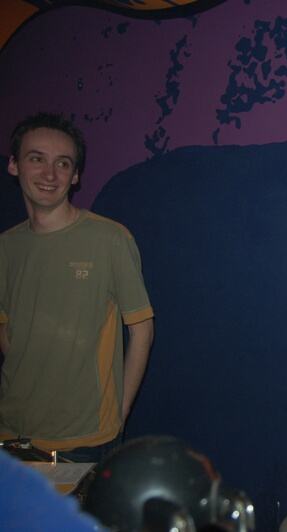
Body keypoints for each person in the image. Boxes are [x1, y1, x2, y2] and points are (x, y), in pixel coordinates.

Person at [0, 112, 154, 462]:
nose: (49, 174)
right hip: (11, 429)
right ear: (13, 165)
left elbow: (142, 330)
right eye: (36, 159)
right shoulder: (6, 246)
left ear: (75, 175)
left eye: (63, 163)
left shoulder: (110, 238)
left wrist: (119, 415)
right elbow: (6, 327)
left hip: (83, 437)